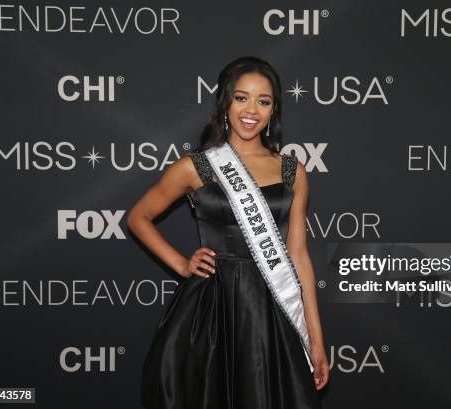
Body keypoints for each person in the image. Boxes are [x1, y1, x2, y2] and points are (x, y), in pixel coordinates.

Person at [127, 56, 329, 409]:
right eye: (241, 98)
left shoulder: (291, 170)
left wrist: (315, 335)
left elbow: (298, 255)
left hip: (273, 308)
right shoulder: (196, 166)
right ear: (225, 102)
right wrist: (180, 264)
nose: (251, 110)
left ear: (273, 111)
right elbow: (138, 217)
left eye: (263, 101)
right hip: (213, 309)